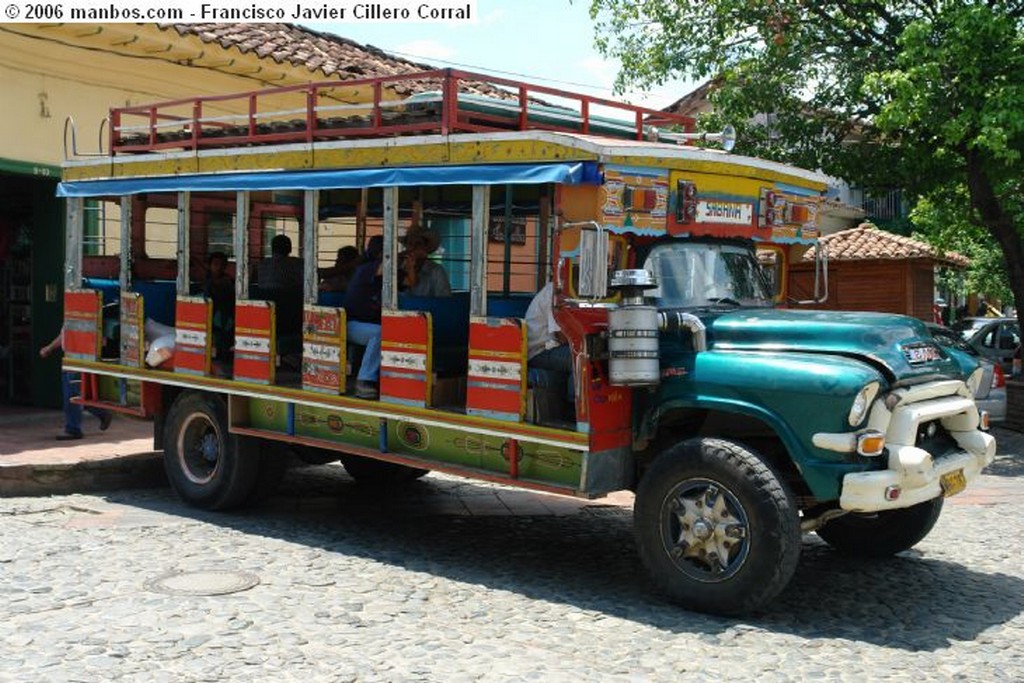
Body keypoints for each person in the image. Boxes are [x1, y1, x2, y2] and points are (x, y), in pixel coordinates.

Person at [40, 327, 113, 440]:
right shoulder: (71, 315)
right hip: (70, 358)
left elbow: (102, 340)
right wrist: (49, 348)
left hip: (80, 358)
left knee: (73, 396)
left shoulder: (87, 316)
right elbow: (64, 335)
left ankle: (73, 429)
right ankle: (101, 413)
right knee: (75, 394)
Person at [344, 236, 384, 399]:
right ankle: (364, 380)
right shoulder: (366, 269)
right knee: (380, 333)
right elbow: (388, 266)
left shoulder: (379, 277)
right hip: (351, 324)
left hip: (366, 323)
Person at [399, 225, 451, 297]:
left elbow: (444, 300)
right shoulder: (398, 267)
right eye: (410, 243)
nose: (413, 248)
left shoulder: (436, 271)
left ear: (426, 248)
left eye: (418, 244)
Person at [203, 251, 235, 360]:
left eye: (222, 265)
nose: (219, 267)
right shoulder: (207, 281)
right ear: (210, 265)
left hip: (225, 317)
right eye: (215, 264)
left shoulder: (228, 281)